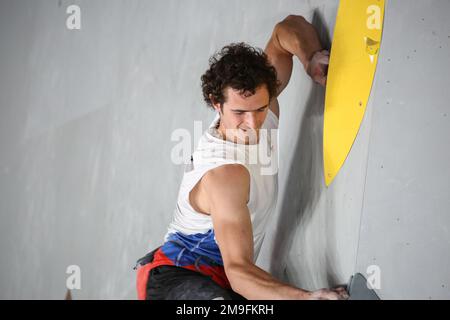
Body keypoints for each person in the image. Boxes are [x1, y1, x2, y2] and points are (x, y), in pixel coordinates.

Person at [135, 14, 349, 300]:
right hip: (177, 278)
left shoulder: (261, 109)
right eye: (239, 113)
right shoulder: (225, 172)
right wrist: (307, 298)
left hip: (221, 280)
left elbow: (284, 32)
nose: (252, 123)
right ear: (216, 103)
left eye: (260, 108)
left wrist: (310, 57)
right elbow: (238, 272)